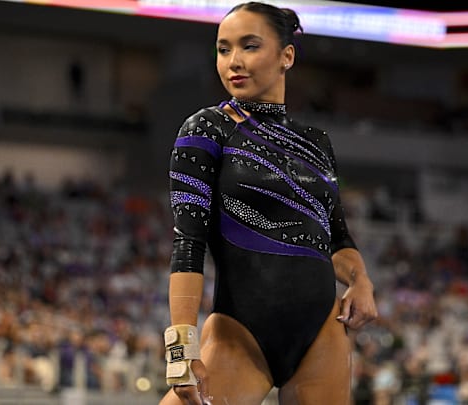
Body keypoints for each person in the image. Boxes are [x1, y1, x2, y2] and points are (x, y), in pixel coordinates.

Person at [160, 2, 377, 404]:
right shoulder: (207, 128)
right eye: (223, 49)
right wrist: (182, 351)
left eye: (250, 46)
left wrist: (360, 280)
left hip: (321, 334)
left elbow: (336, 237)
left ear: (286, 56)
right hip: (242, 332)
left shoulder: (317, 143)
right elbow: (188, 242)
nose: (234, 62)